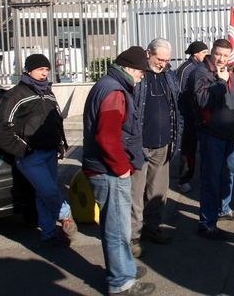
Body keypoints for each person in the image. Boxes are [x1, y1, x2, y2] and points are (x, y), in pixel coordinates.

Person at [82, 46, 155, 296]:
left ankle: (125, 269)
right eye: (140, 72)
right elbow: (107, 137)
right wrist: (122, 168)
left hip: (104, 170)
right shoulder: (114, 92)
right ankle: (121, 283)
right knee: (116, 230)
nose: (142, 76)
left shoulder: (109, 85)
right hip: (109, 172)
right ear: (128, 69)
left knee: (116, 227)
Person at [0, 54, 77, 248]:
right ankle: (65, 213)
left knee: (42, 195)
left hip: (50, 152)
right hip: (30, 157)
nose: (44, 73)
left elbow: (55, 120)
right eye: (40, 69)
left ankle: (49, 234)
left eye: (47, 70)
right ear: (29, 70)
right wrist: (24, 150)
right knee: (48, 191)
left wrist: (60, 143)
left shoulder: (48, 93)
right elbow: (2, 129)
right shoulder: (15, 95)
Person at [130, 38, 182, 258]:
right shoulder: (136, 76)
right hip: (140, 146)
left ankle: (152, 228)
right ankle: (132, 237)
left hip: (164, 145)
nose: (162, 64)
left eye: (166, 60)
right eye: (159, 59)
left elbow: (177, 107)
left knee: (157, 192)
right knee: (135, 194)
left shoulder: (169, 75)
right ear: (147, 53)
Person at [192, 39, 234, 240]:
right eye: (218, 54)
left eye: (225, 55)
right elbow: (202, 100)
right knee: (210, 178)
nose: (221, 59)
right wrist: (221, 82)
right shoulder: (201, 72)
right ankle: (206, 223)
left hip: (229, 134)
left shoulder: (230, 72)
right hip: (212, 135)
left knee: (229, 173)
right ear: (211, 53)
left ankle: (224, 208)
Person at [175, 41, 208, 193]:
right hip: (188, 117)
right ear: (195, 54)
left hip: (200, 116)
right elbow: (179, 94)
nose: (206, 55)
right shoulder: (185, 69)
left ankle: (205, 178)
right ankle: (184, 180)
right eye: (203, 52)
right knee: (188, 148)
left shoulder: (203, 67)